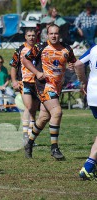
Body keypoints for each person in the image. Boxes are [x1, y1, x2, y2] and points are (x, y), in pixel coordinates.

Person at [22, 24, 77, 160]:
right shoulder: (40, 47)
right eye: (51, 33)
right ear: (47, 35)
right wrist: (37, 72)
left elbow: (74, 63)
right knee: (57, 112)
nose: (54, 36)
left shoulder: (67, 49)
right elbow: (25, 59)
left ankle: (29, 143)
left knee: (44, 118)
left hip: (57, 87)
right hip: (44, 86)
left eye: (56, 33)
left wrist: (72, 66)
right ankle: (54, 148)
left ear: (60, 35)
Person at [10, 28, 40, 145]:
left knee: (33, 111)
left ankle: (31, 138)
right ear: (25, 37)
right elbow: (13, 66)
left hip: (37, 83)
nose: (31, 37)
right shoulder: (20, 50)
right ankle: (24, 136)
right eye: (29, 35)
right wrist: (14, 81)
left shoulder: (39, 49)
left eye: (33, 35)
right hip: (25, 82)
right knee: (28, 106)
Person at [72, 45, 97, 180]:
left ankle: (91, 167)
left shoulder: (94, 49)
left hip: (93, 94)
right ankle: (88, 166)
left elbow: (78, 64)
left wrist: (83, 82)